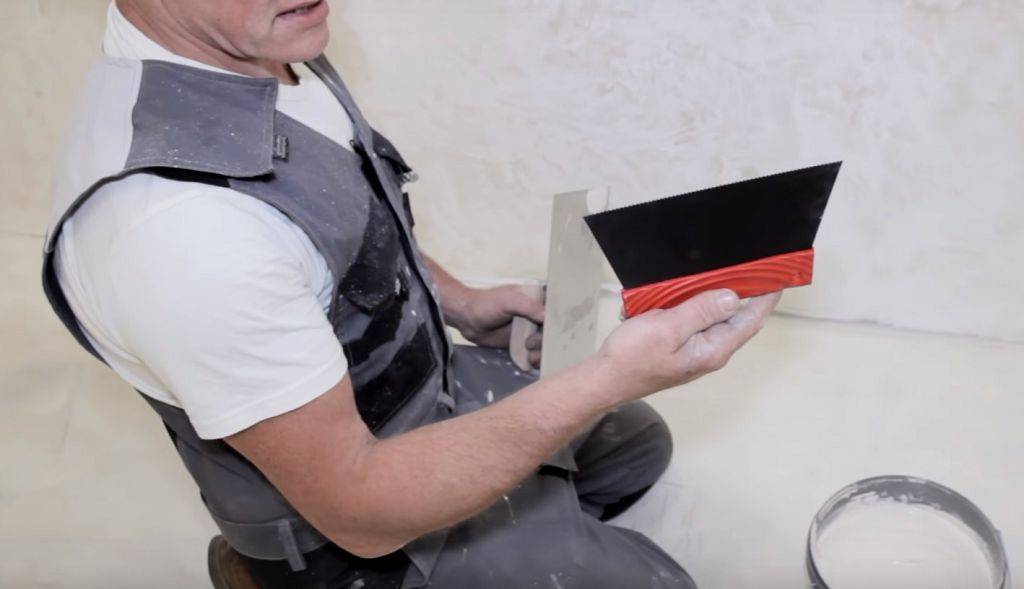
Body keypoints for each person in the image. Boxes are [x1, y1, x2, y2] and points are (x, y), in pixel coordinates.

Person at [41, 1, 782, 587]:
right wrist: (608, 376)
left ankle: (528, 521)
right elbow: (358, 510)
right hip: (350, 523)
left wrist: (460, 302)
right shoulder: (178, 230)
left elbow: (338, 218)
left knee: (634, 450)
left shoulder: (266, 38)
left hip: (406, 395)